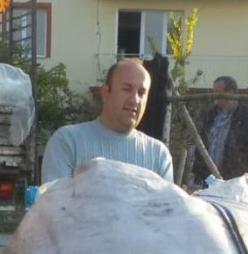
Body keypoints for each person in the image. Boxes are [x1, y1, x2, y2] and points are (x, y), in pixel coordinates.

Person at [41, 58, 174, 184]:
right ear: (105, 93)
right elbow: (55, 204)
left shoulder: (158, 155)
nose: (135, 100)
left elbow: (168, 207)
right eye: (126, 89)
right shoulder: (68, 142)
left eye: (141, 92)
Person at [192, 75, 248, 186]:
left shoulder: (246, 115)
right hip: (209, 179)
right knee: (208, 200)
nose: (214, 95)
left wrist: (241, 166)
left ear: (230, 93)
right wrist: (207, 178)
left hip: (234, 180)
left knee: (231, 202)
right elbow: (200, 146)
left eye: (218, 92)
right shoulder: (210, 116)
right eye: (213, 91)